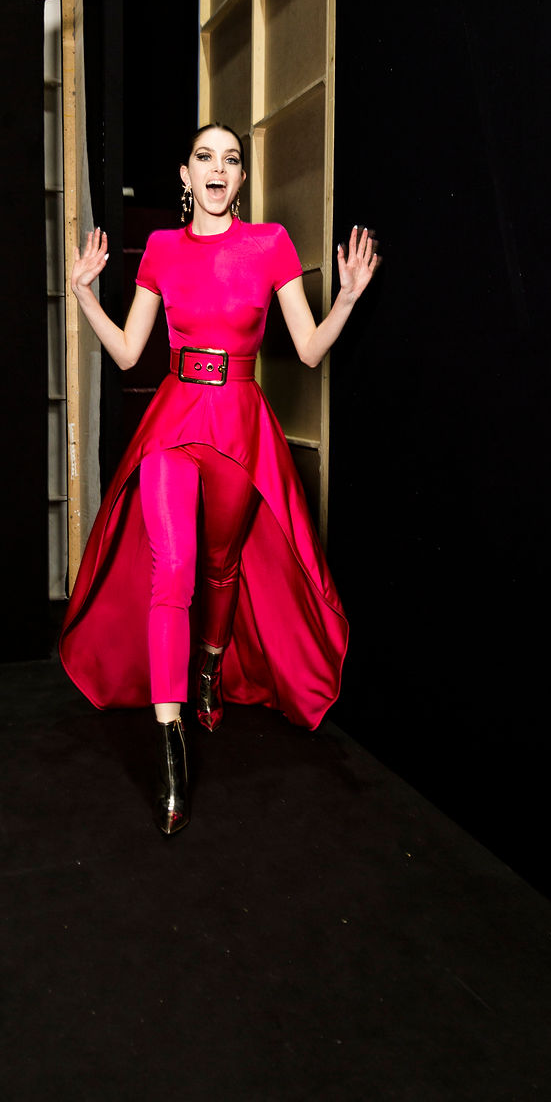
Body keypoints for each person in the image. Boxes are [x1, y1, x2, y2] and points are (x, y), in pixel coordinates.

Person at [59, 123, 379, 835]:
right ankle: (170, 741)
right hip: (173, 424)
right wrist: (85, 295)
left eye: (231, 160)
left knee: (219, 564)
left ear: (241, 179)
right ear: (185, 174)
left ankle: (209, 664)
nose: (218, 168)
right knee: (171, 567)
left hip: (236, 427)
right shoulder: (162, 249)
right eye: (205, 157)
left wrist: (348, 299)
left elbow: (309, 349)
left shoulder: (270, 245)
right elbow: (128, 353)